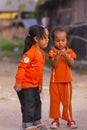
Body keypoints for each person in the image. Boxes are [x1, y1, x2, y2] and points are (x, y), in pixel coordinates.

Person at [14, 25, 49, 130]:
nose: (48, 40)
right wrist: (18, 82)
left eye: (48, 37)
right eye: (45, 37)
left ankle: (36, 121)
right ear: (36, 39)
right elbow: (21, 67)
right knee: (28, 105)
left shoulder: (42, 54)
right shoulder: (30, 54)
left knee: (37, 103)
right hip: (25, 85)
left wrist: (40, 84)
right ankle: (27, 124)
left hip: (34, 85)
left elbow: (39, 71)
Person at [48, 26, 77, 129]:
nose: (60, 43)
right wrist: (57, 56)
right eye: (57, 41)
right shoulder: (52, 52)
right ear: (53, 41)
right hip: (54, 81)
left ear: (66, 41)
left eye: (63, 40)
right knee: (55, 101)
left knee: (67, 101)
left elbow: (72, 64)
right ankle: (55, 120)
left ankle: (70, 119)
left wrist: (66, 56)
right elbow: (54, 65)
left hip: (67, 81)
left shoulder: (70, 52)